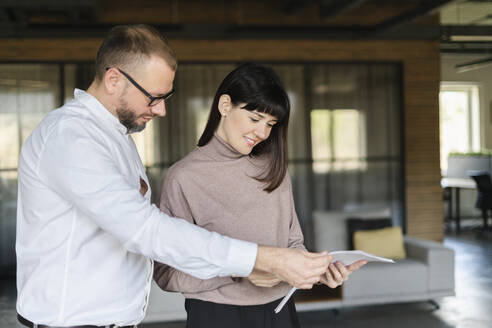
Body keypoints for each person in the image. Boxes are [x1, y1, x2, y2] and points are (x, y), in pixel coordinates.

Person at [15, 25, 333, 328]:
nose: (161, 110)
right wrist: (258, 261)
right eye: (153, 97)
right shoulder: (70, 137)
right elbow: (145, 229)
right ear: (113, 79)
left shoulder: (115, 139)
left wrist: (299, 264)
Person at [153, 63, 366, 328]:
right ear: (225, 105)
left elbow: (293, 244)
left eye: (271, 124)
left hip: (279, 311)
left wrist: (315, 271)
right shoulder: (183, 177)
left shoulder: (274, 169)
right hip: (216, 316)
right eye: (255, 119)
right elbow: (166, 274)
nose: (263, 133)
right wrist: (244, 270)